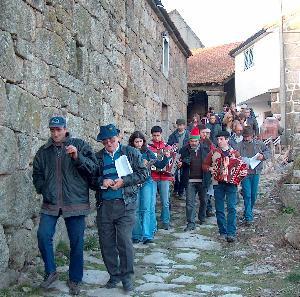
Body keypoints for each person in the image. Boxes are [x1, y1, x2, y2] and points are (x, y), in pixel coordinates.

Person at [32, 116, 98, 295]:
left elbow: (93, 169)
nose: (55, 133)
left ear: (65, 129)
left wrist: (77, 157)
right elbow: (36, 172)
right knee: (43, 235)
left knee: (76, 242)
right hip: (51, 202)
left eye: (58, 129)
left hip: (75, 202)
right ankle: (51, 272)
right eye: (52, 130)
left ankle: (75, 279)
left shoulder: (80, 145)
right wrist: (43, 188)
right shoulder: (43, 151)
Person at [92, 124, 148, 292]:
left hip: (126, 204)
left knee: (124, 241)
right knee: (106, 243)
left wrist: (124, 181)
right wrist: (102, 181)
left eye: (111, 139)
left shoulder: (130, 152)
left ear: (118, 137)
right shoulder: (98, 157)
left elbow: (144, 174)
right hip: (105, 206)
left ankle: (127, 277)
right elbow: (91, 178)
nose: (109, 143)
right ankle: (114, 275)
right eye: (105, 140)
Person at [203, 131, 246, 243]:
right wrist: (210, 169)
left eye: (221, 139)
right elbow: (205, 165)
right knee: (219, 209)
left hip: (231, 184)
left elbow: (241, 167)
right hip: (218, 183)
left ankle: (231, 233)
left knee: (231, 207)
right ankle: (222, 231)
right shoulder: (213, 153)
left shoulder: (234, 153)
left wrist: (239, 175)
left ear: (227, 140)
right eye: (218, 139)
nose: (219, 141)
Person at [129, 131, 170, 244]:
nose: (138, 144)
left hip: (147, 181)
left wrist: (166, 158)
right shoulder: (128, 152)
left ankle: (147, 235)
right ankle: (136, 235)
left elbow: (159, 165)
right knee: (135, 209)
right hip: (133, 182)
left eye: (140, 141)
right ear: (132, 142)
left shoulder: (147, 151)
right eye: (136, 142)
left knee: (146, 208)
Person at [236, 127, 270, 226]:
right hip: (244, 173)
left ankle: (248, 211)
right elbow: (234, 155)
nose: (246, 138)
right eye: (245, 136)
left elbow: (267, 151)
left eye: (248, 137)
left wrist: (263, 156)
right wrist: (238, 157)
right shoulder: (239, 145)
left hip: (256, 171)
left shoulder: (259, 144)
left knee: (253, 194)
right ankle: (248, 218)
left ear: (252, 136)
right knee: (247, 194)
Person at [178, 132, 211, 231]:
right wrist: (181, 164)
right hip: (189, 180)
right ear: (189, 141)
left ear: (199, 141)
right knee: (189, 203)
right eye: (191, 141)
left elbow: (210, 163)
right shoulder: (184, 150)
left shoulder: (206, 149)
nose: (193, 143)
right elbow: (179, 162)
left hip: (203, 179)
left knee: (204, 200)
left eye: (195, 141)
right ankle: (191, 222)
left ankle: (202, 217)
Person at [148, 126, 174, 230]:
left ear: (161, 134)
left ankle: (166, 222)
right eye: (154, 135)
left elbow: (173, 162)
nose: (156, 137)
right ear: (151, 135)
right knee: (152, 201)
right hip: (153, 177)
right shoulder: (149, 148)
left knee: (165, 201)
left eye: (158, 135)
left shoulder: (168, 147)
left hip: (165, 177)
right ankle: (153, 223)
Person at [167, 119, 190, 198]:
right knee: (175, 174)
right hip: (175, 156)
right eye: (178, 125)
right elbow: (169, 145)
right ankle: (176, 189)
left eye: (181, 125)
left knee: (184, 175)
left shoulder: (188, 135)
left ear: (184, 125)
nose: (180, 127)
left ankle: (181, 191)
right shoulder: (172, 135)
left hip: (185, 156)